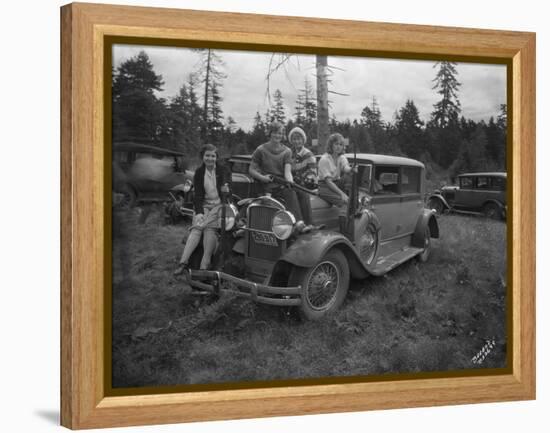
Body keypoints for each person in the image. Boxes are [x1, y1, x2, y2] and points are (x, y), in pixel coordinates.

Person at [174, 144, 231, 275]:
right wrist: (199, 212)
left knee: (209, 229)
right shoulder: (199, 172)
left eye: (213, 156)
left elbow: (229, 192)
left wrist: (227, 191)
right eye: (207, 155)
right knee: (196, 228)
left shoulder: (223, 170)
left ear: (216, 157)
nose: (210, 158)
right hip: (204, 205)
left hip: (219, 205)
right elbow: (198, 195)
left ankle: (204, 266)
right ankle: (183, 262)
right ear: (202, 156)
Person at [249, 121, 307, 228]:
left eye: (280, 133)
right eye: (275, 133)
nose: (278, 135)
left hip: (280, 185)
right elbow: (251, 170)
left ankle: (303, 224)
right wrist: (263, 178)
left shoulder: (287, 151)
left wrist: (290, 182)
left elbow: (287, 172)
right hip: (265, 186)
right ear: (270, 134)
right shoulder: (260, 150)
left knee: (296, 192)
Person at [317, 133, 356, 234]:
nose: (338, 147)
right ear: (331, 145)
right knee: (345, 202)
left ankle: (354, 202)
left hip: (337, 183)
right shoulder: (324, 160)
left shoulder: (341, 157)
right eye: (336, 144)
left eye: (341, 144)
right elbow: (328, 182)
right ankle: (344, 232)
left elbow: (346, 168)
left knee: (349, 177)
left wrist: (351, 169)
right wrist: (342, 194)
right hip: (325, 186)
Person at [288, 126, 316, 225]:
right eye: (294, 139)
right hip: (293, 183)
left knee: (302, 193)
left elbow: (312, 172)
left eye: (299, 139)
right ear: (291, 140)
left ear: (303, 140)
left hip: (306, 183)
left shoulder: (308, 154)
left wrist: (302, 179)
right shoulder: (290, 154)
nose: (297, 141)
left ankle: (308, 223)